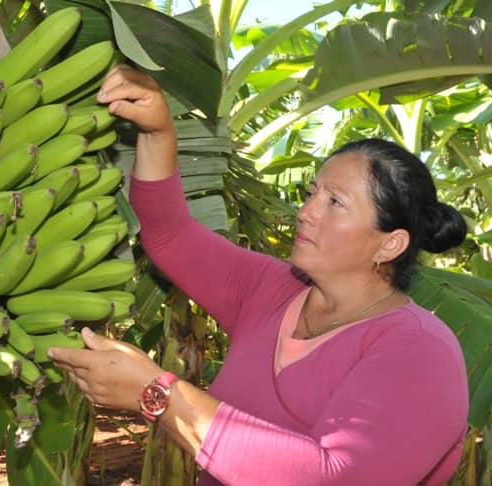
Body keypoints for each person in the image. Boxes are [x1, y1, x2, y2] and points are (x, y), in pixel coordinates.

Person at [48, 64, 470, 485]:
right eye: (311, 194)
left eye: (335, 202)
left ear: (390, 243)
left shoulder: (419, 352)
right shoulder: (272, 289)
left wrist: (157, 392)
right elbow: (171, 236)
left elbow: (331, 477)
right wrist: (158, 131)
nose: (306, 212)